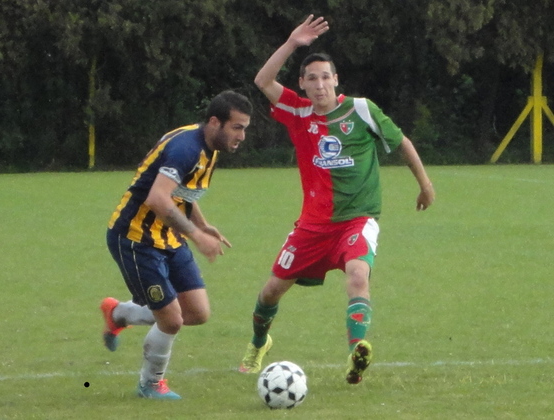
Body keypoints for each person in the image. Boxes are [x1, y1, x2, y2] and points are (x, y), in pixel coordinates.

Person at [238, 15, 435, 384]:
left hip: (357, 219)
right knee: (270, 291)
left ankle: (355, 353)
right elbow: (263, 81)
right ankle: (258, 343)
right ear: (302, 83)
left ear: (336, 79)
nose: (319, 84)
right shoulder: (298, 111)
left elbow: (401, 142)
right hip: (312, 227)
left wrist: (424, 184)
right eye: (311, 78)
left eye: (325, 76)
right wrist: (293, 43)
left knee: (359, 275)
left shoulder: (361, 110)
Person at [100, 90, 252, 399]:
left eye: (245, 127)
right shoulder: (186, 148)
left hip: (168, 236)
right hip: (136, 238)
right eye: (237, 127)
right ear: (214, 122)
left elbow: (180, 193)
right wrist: (197, 237)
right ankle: (150, 384)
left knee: (197, 313)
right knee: (170, 320)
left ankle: (119, 314)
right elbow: (157, 198)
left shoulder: (210, 147)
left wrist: (201, 224)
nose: (242, 135)